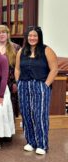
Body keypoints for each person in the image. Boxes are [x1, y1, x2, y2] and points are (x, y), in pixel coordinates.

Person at [15, 26, 58, 155]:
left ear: (39, 37)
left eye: (35, 36)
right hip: (24, 85)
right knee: (26, 114)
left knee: (39, 115)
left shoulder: (47, 50)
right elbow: (17, 68)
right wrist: (19, 82)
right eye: (30, 36)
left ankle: (42, 144)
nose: (32, 38)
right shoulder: (21, 51)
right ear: (26, 37)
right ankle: (30, 142)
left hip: (40, 85)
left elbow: (54, 69)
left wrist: (46, 85)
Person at [0, 25, 21, 117]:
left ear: (7, 34)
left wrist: (16, 82)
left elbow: (19, 67)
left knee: (10, 106)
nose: (1, 34)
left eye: (3, 32)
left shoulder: (16, 47)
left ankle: (10, 129)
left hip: (11, 82)